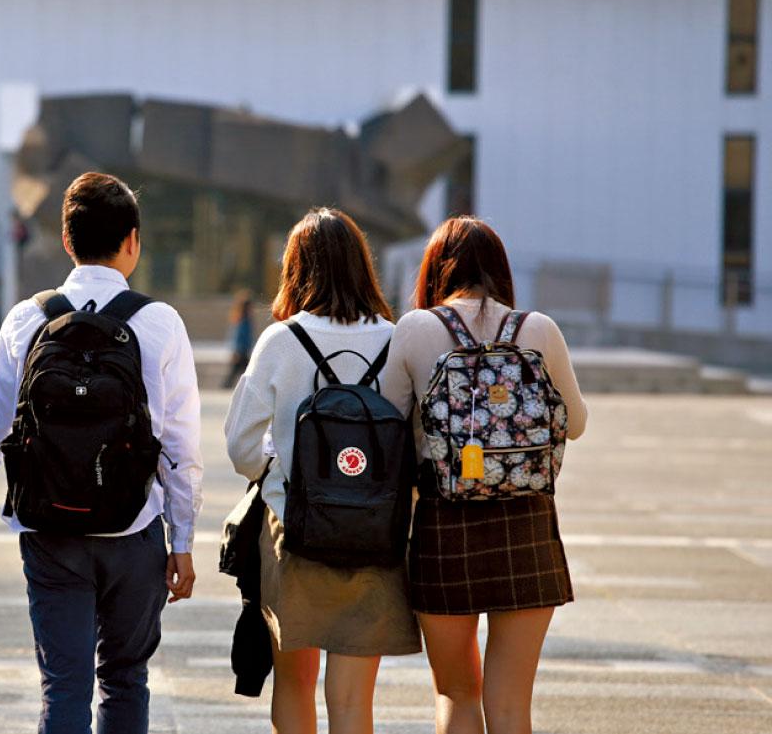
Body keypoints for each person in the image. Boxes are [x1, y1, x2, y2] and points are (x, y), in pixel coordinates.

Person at [0, 172, 204, 734]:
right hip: (133, 529)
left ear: (67, 241)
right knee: (125, 679)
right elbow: (182, 449)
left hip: (49, 532)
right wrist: (183, 541)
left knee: (64, 686)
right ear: (133, 241)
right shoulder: (160, 323)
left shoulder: (27, 318)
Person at [380, 217, 588, 734]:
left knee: (456, 692)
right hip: (528, 525)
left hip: (444, 524)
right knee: (512, 705)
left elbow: (387, 427)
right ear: (499, 268)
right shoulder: (538, 329)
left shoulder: (416, 329)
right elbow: (576, 424)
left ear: (434, 269)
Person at [224, 209, 421, 734]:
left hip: (297, 532)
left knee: (294, 682)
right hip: (377, 535)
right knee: (353, 698)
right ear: (362, 267)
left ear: (295, 268)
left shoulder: (281, 340)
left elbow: (241, 448)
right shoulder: (396, 339)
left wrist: (280, 459)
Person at [222, 290, 255, 389]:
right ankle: (227, 386)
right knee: (245, 370)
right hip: (241, 351)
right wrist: (236, 350)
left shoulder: (247, 320)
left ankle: (227, 385)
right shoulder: (242, 320)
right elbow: (237, 336)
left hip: (244, 350)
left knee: (238, 370)